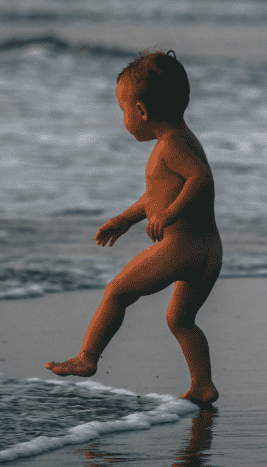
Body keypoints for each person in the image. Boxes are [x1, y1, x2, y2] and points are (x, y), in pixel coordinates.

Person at [46, 50, 221, 406]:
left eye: (122, 110)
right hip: (209, 252)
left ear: (140, 111)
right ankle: (203, 384)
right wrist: (126, 219)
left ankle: (87, 357)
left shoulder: (170, 145)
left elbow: (200, 179)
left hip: (180, 248)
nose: (123, 118)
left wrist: (168, 215)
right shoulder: (183, 139)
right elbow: (156, 195)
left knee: (117, 293)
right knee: (180, 320)